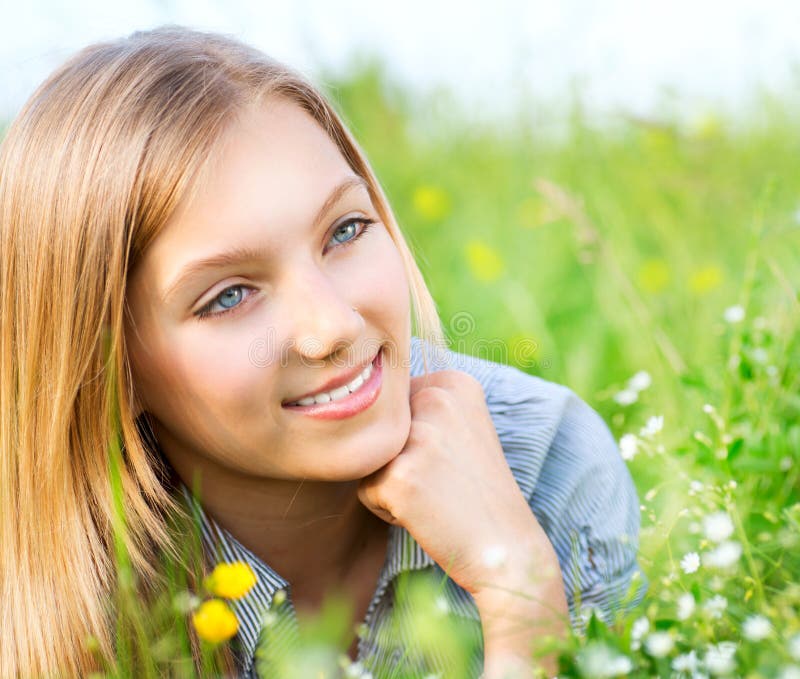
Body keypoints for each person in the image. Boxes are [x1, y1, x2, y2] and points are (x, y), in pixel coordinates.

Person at [0, 25, 647, 679]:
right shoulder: (56, 593)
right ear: (107, 369)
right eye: (228, 296)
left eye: (345, 229)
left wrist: (521, 594)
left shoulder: (545, 467)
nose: (333, 326)